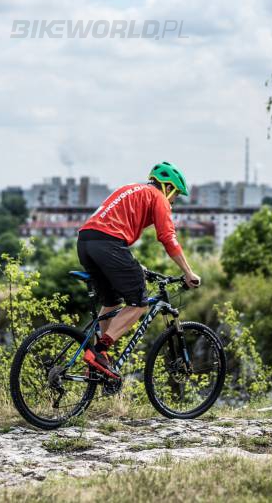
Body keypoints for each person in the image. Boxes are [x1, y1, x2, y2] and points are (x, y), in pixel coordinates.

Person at [76, 161, 201, 380]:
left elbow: (111, 228)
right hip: (108, 244)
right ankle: (98, 352)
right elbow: (168, 238)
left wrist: (133, 264)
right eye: (176, 196)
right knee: (139, 303)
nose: (173, 201)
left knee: (112, 301)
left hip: (86, 242)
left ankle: (99, 358)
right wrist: (188, 272)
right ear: (168, 187)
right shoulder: (158, 197)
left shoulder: (131, 190)